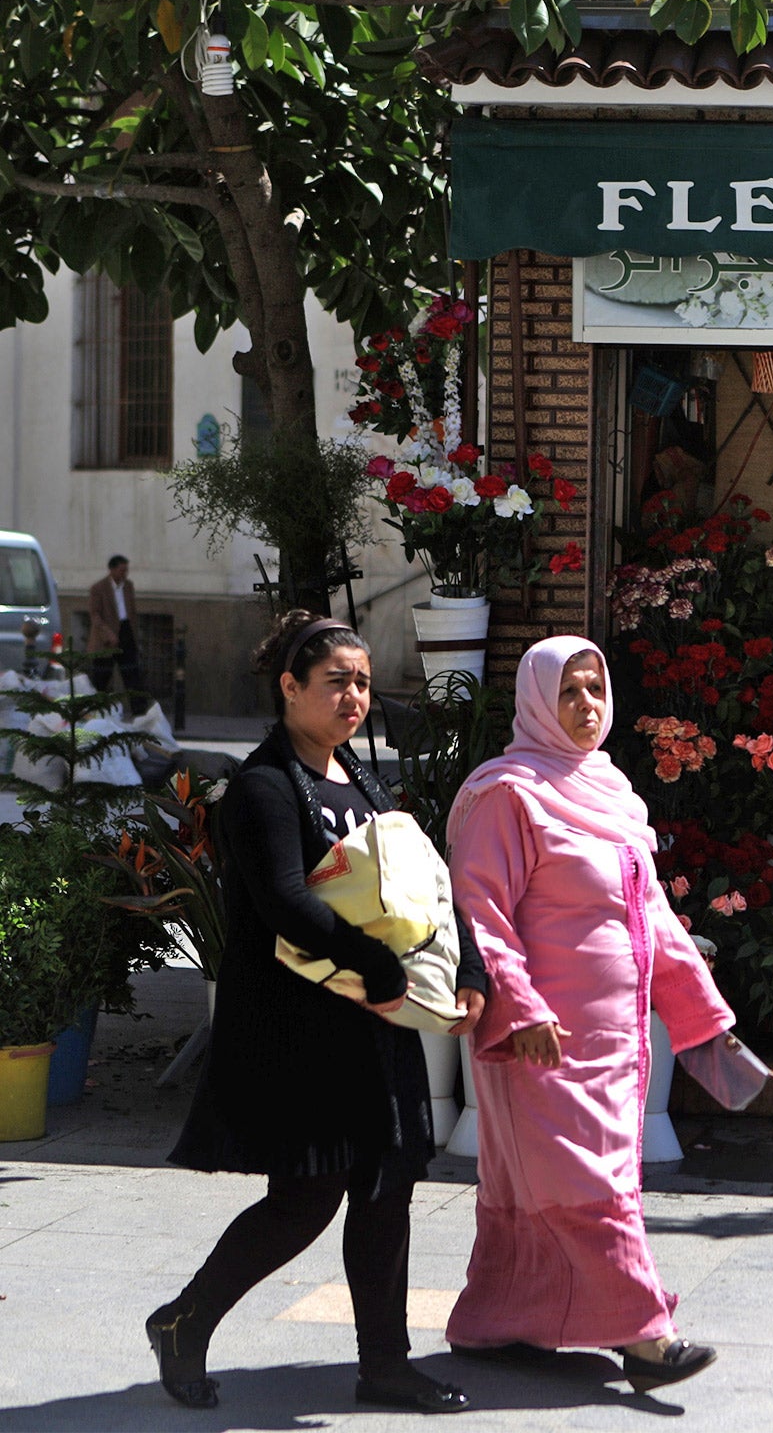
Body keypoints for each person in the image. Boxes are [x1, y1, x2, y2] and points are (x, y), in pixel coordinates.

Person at [150, 610, 488, 1414]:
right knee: (306, 1196)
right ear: (290, 688)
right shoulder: (262, 787)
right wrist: (376, 968)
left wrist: (468, 965)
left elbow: (423, 880)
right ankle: (183, 1322)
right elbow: (282, 902)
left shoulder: (365, 781)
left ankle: (385, 1367)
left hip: (376, 1022)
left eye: (364, 682)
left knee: (386, 1189)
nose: (353, 697)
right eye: (336, 681)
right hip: (299, 1025)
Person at [443, 636, 736, 1393]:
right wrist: (521, 1007)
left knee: (545, 1186)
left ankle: (499, 1320)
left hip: (616, 1042)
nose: (585, 706)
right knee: (588, 1185)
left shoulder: (610, 791)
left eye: (594, 690)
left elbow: (653, 917)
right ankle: (647, 1337)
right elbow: (481, 915)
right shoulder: (505, 792)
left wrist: (704, 1013)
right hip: (542, 1037)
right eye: (568, 691)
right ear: (538, 700)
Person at [87, 554, 146, 697]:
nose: (125, 574)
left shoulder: (128, 586)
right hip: (107, 634)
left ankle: (139, 710)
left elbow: (132, 610)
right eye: (122, 570)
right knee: (102, 675)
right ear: (112, 570)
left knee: (132, 673)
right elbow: (95, 614)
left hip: (126, 630)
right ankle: (95, 706)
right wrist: (107, 633)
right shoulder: (98, 588)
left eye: (126, 570)